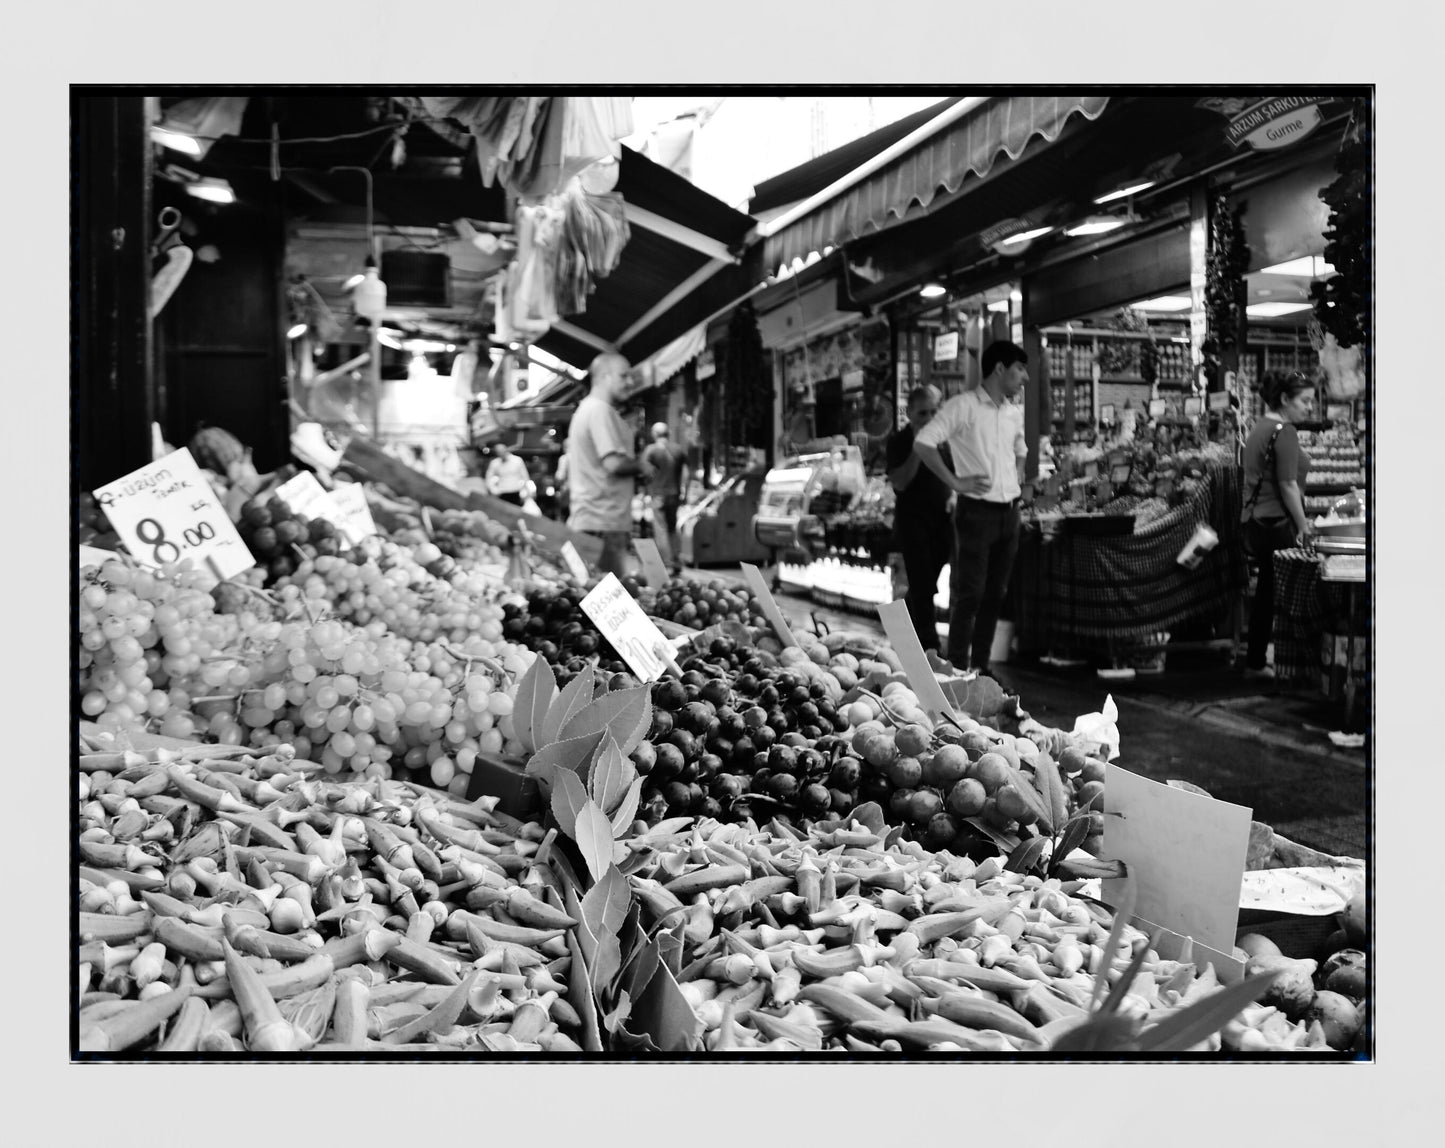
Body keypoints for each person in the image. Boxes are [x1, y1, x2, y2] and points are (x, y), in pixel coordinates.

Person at [913, 340, 1030, 677]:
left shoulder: (1012, 412)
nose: (1023, 377)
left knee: (996, 594)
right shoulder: (962, 406)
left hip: (1010, 513)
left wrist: (1017, 478)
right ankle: (958, 669)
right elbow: (924, 442)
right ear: (999, 369)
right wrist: (956, 482)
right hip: (975, 512)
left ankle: (980, 666)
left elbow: (1021, 449)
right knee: (970, 594)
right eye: (1019, 369)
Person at [1239, 371, 1315, 680]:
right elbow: (1287, 485)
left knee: (1267, 592)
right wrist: (1304, 525)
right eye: (1305, 401)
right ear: (1285, 399)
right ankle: (1269, 661)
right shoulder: (1284, 431)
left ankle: (1257, 658)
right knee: (1279, 593)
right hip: (1276, 521)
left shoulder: (1259, 427)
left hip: (1256, 520)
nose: (1310, 407)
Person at [567, 351, 652, 578]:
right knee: (609, 600)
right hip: (603, 522)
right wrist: (642, 464)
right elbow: (614, 464)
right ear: (605, 376)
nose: (629, 382)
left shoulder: (588, 409)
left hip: (596, 520)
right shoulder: (599, 411)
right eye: (623, 376)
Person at [886, 385, 952, 652]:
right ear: (911, 413)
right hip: (913, 522)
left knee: (926, 582)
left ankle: (905, 631)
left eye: (935, 411)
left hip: (943, 521)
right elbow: (900, 483)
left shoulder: (947, 439)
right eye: (923, 412)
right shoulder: (899, 441)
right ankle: (930, 646)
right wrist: (918, 447)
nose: (930, 417)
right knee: (922, 584)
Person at [641, 421, 690, 574]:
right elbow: (687, 474)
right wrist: (685, 494)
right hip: (674, 495)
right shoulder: (678, 449)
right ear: (667, 433)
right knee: (672, 529)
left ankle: (667, 564)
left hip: (657, 496)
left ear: (654, 434)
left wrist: (645, 493)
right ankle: (676, 561)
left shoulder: (650, 451)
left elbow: (644, 472)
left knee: (660, 529)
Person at [484, 441, 533, 506]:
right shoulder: (495, 463)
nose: (500, 453)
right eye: (498, 452)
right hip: (502, 492)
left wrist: (526, 491)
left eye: (501, 451)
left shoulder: (517, 460)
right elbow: (488, 478)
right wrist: (493, 490)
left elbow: (525, 477)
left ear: (506, 450)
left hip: (515, 492)